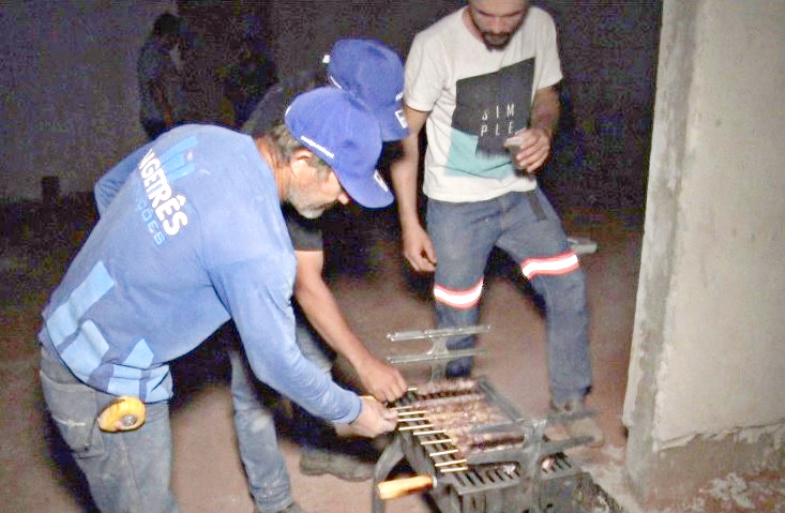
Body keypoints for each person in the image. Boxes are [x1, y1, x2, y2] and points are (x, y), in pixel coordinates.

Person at [38, 87, 399, 513]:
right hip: (104, 380)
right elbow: (276, 365)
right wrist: (353, 410)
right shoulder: (261, 247)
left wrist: (153, 268)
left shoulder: (196, 138)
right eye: (342, 186)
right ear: (302, 161)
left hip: (65, 325)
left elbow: (109, 189)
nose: (344, 200)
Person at [389, 0, 604, 446]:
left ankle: (570, 400)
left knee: (568, 285)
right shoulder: (434, 46)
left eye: (512, 16)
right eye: (488, 15)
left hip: (520, 192)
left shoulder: (541, 26)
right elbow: (406, 135)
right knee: (458, 316)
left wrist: (543, 130)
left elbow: (546, 95)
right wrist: (410, 221)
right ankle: (451, 407)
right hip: (456, 205)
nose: (500, 27)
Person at [226, 38, 410, 512]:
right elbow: (306, 283)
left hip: (284, 220)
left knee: (313, 349)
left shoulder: (328, 113)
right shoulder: (298, 143)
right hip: (242, 246)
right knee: (255, 391)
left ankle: (316, 447)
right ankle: (273, 500)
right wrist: (364, 364)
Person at [137, 12, 184, 140]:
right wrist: (168, 118)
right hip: (160, 121)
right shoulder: (151, 54)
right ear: (167, 34)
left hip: (164, 119)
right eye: (176, 37)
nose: (176, 42)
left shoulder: (160, 52)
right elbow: (155, 86)